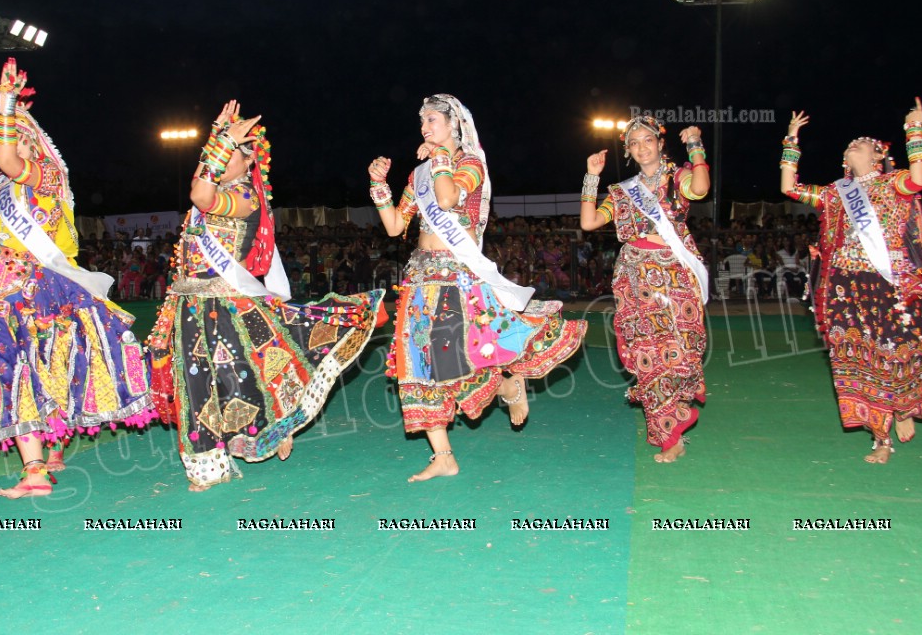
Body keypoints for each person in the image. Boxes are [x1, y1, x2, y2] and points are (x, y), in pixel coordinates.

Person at [0, 58, 153, 498]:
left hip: (30, 288)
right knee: (35, 367)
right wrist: (10, 113)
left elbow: (1, 153)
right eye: (8, 134)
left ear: (34, 145)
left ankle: (37, 470)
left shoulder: (43, 178)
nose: (6, 140)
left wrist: (8, 105)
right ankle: (48, 453)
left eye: (18, 135)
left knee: (23, 367)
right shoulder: (2, 181)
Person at [148, 100, 386, 491]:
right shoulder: (217, 181)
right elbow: (201, 182)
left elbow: (201, 196)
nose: (221, 160)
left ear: (248, 162)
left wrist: (219, 144)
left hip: (226, 306)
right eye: (218, 154)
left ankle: (277, 426)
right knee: (197, 384)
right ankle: (208, 465)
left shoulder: (245, 198)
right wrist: (218, 135)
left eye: (230, 154)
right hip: (190, 305)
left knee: (240, 379)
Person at [368, 94, 587, 482]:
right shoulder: (418, 175)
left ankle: (505, 387)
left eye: (432, 120)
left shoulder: (469, 164)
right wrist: (379, 185)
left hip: (458, 276)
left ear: (454, 125)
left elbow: (448, 197)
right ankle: (444, 457)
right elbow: (395, 227)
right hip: (420, 279)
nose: (424, 128)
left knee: (462, 357)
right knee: (418, 365)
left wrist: (437, 158)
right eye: (422, 123)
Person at [781, 100, 922, 463]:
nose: (854, 143)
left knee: (892, 355)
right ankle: (880, 438)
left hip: (889, 285)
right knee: (856, 360)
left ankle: (902, 408)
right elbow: (791, 189)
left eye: (864, 142)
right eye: (851, 143)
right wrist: (791, 140)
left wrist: (915, 130)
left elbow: (920, 178)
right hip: (845, 287)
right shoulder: (834, 193)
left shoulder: (893, 183)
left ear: (878, 157)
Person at [579, 116, 710, 463]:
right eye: (633, 142)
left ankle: (678, 412)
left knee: (679, 349)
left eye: (646, 139)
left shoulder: (677, 178)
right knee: (646, 355)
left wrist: (695, 146)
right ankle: (670, 436)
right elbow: (589, 222)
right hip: (635, 276)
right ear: (628, 150)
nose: (641, 146)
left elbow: (700, 189)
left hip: (674, 274)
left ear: (659, 143)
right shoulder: (623, 192)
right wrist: (592, 175)